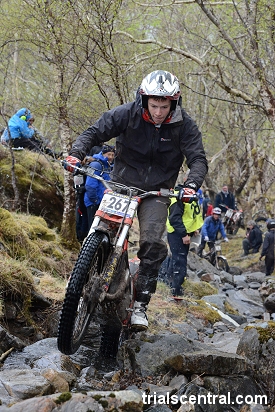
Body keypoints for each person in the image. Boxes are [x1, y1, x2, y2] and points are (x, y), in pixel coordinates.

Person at [64, 69, 208, 330]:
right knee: (101, 226)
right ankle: (82, 275)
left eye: (164, 106)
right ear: (144, 100)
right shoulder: (126, 114)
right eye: (154, 105)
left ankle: (140, 304)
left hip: (157, 191)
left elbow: (197, 158)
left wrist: (191, 184)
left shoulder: (184, 125)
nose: (158, 112)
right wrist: (76, 153)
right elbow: (95, 132)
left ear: (174, 103)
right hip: (121, 182)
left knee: (152, 243)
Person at [166, 186, 203, 296]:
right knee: (179, 261)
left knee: (177, 259)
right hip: (177, 234)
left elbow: (190, 213)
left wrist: (193, 229)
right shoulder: (180, 196)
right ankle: (176, 290)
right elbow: (174, 219)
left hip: (184, 232)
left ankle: (171, 284)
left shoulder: (190, 193)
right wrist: (184, 234)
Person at [84, 145, 115, 229]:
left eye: (112, 155)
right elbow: (90, 185)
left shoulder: (108, 166)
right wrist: (95, 200)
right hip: (93, 202)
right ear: (103, 153)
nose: (111, 157)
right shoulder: (96, 165)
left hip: (102, 203)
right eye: (109, 154)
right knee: (92, 228)